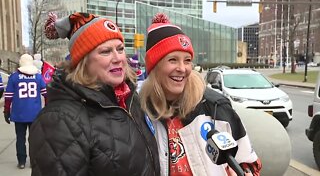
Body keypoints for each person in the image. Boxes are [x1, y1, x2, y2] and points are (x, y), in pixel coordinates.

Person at [29, 12, 160, 176]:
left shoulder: (130, 99)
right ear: (84, 61)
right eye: (105, 51)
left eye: (120, 49)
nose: (118, 58)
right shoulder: (59, 119)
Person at [139, 13, 262, 176]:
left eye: (187, 60)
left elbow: (247, 160)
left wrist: (244, 171)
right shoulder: (140, 112)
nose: (182, 68)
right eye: (173, 60)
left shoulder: (215, 106)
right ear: (154, 67)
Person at [3, 53, 47, 169]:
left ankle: (21, 161)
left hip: (19, 114)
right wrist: (47, 107)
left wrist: (6, 111)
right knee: (34, 139)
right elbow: (46, 94)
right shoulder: (38, 76)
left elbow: (8, 97)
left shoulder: (14, 77)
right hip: (35, 114)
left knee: (20, 138)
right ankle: (33, 161)